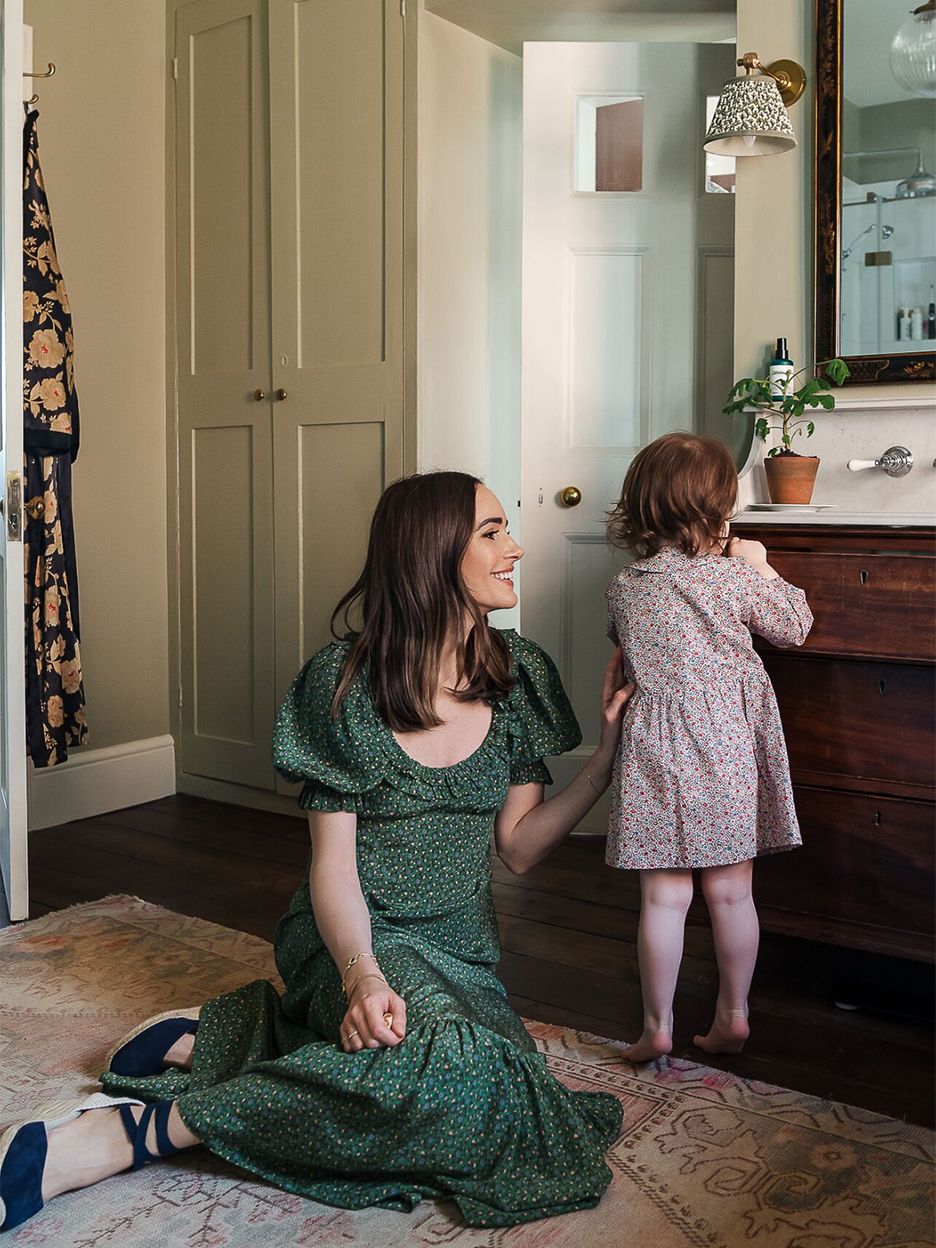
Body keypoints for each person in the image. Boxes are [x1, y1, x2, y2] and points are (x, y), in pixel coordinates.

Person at [1, 471, 633, 1233]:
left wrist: (604, 760)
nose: (516, 547)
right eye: (492, 532)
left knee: (518, 1104)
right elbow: (332, 869)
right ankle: (126, 1135)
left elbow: (520, 849)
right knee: (446, 1076)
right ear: (431, 554)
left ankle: (226, 1040)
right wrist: (363, 977)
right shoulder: (344, 684)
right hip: (354, 939)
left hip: (462, 955)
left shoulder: (518, 674)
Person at [603, 433, 813, 1064]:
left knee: (663, 898)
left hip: (654, 752)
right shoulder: (731, 577)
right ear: (718, 514)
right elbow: (795, 625)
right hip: (723, 751)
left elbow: (623, 644)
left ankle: (656, 1026)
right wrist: (760, 564)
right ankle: (733, 1014)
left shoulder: (625, 586)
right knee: (730, 893)